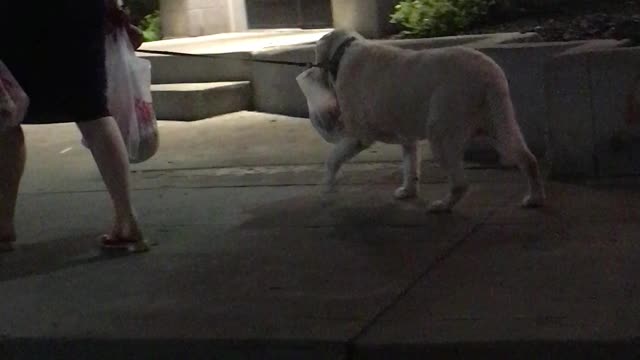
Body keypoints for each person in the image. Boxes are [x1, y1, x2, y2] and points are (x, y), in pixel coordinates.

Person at [0, 1, 148, 253]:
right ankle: (127, 219)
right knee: (93, 110)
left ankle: (2, 225)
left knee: (7, 117)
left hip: (15, 15)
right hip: (79, 12)